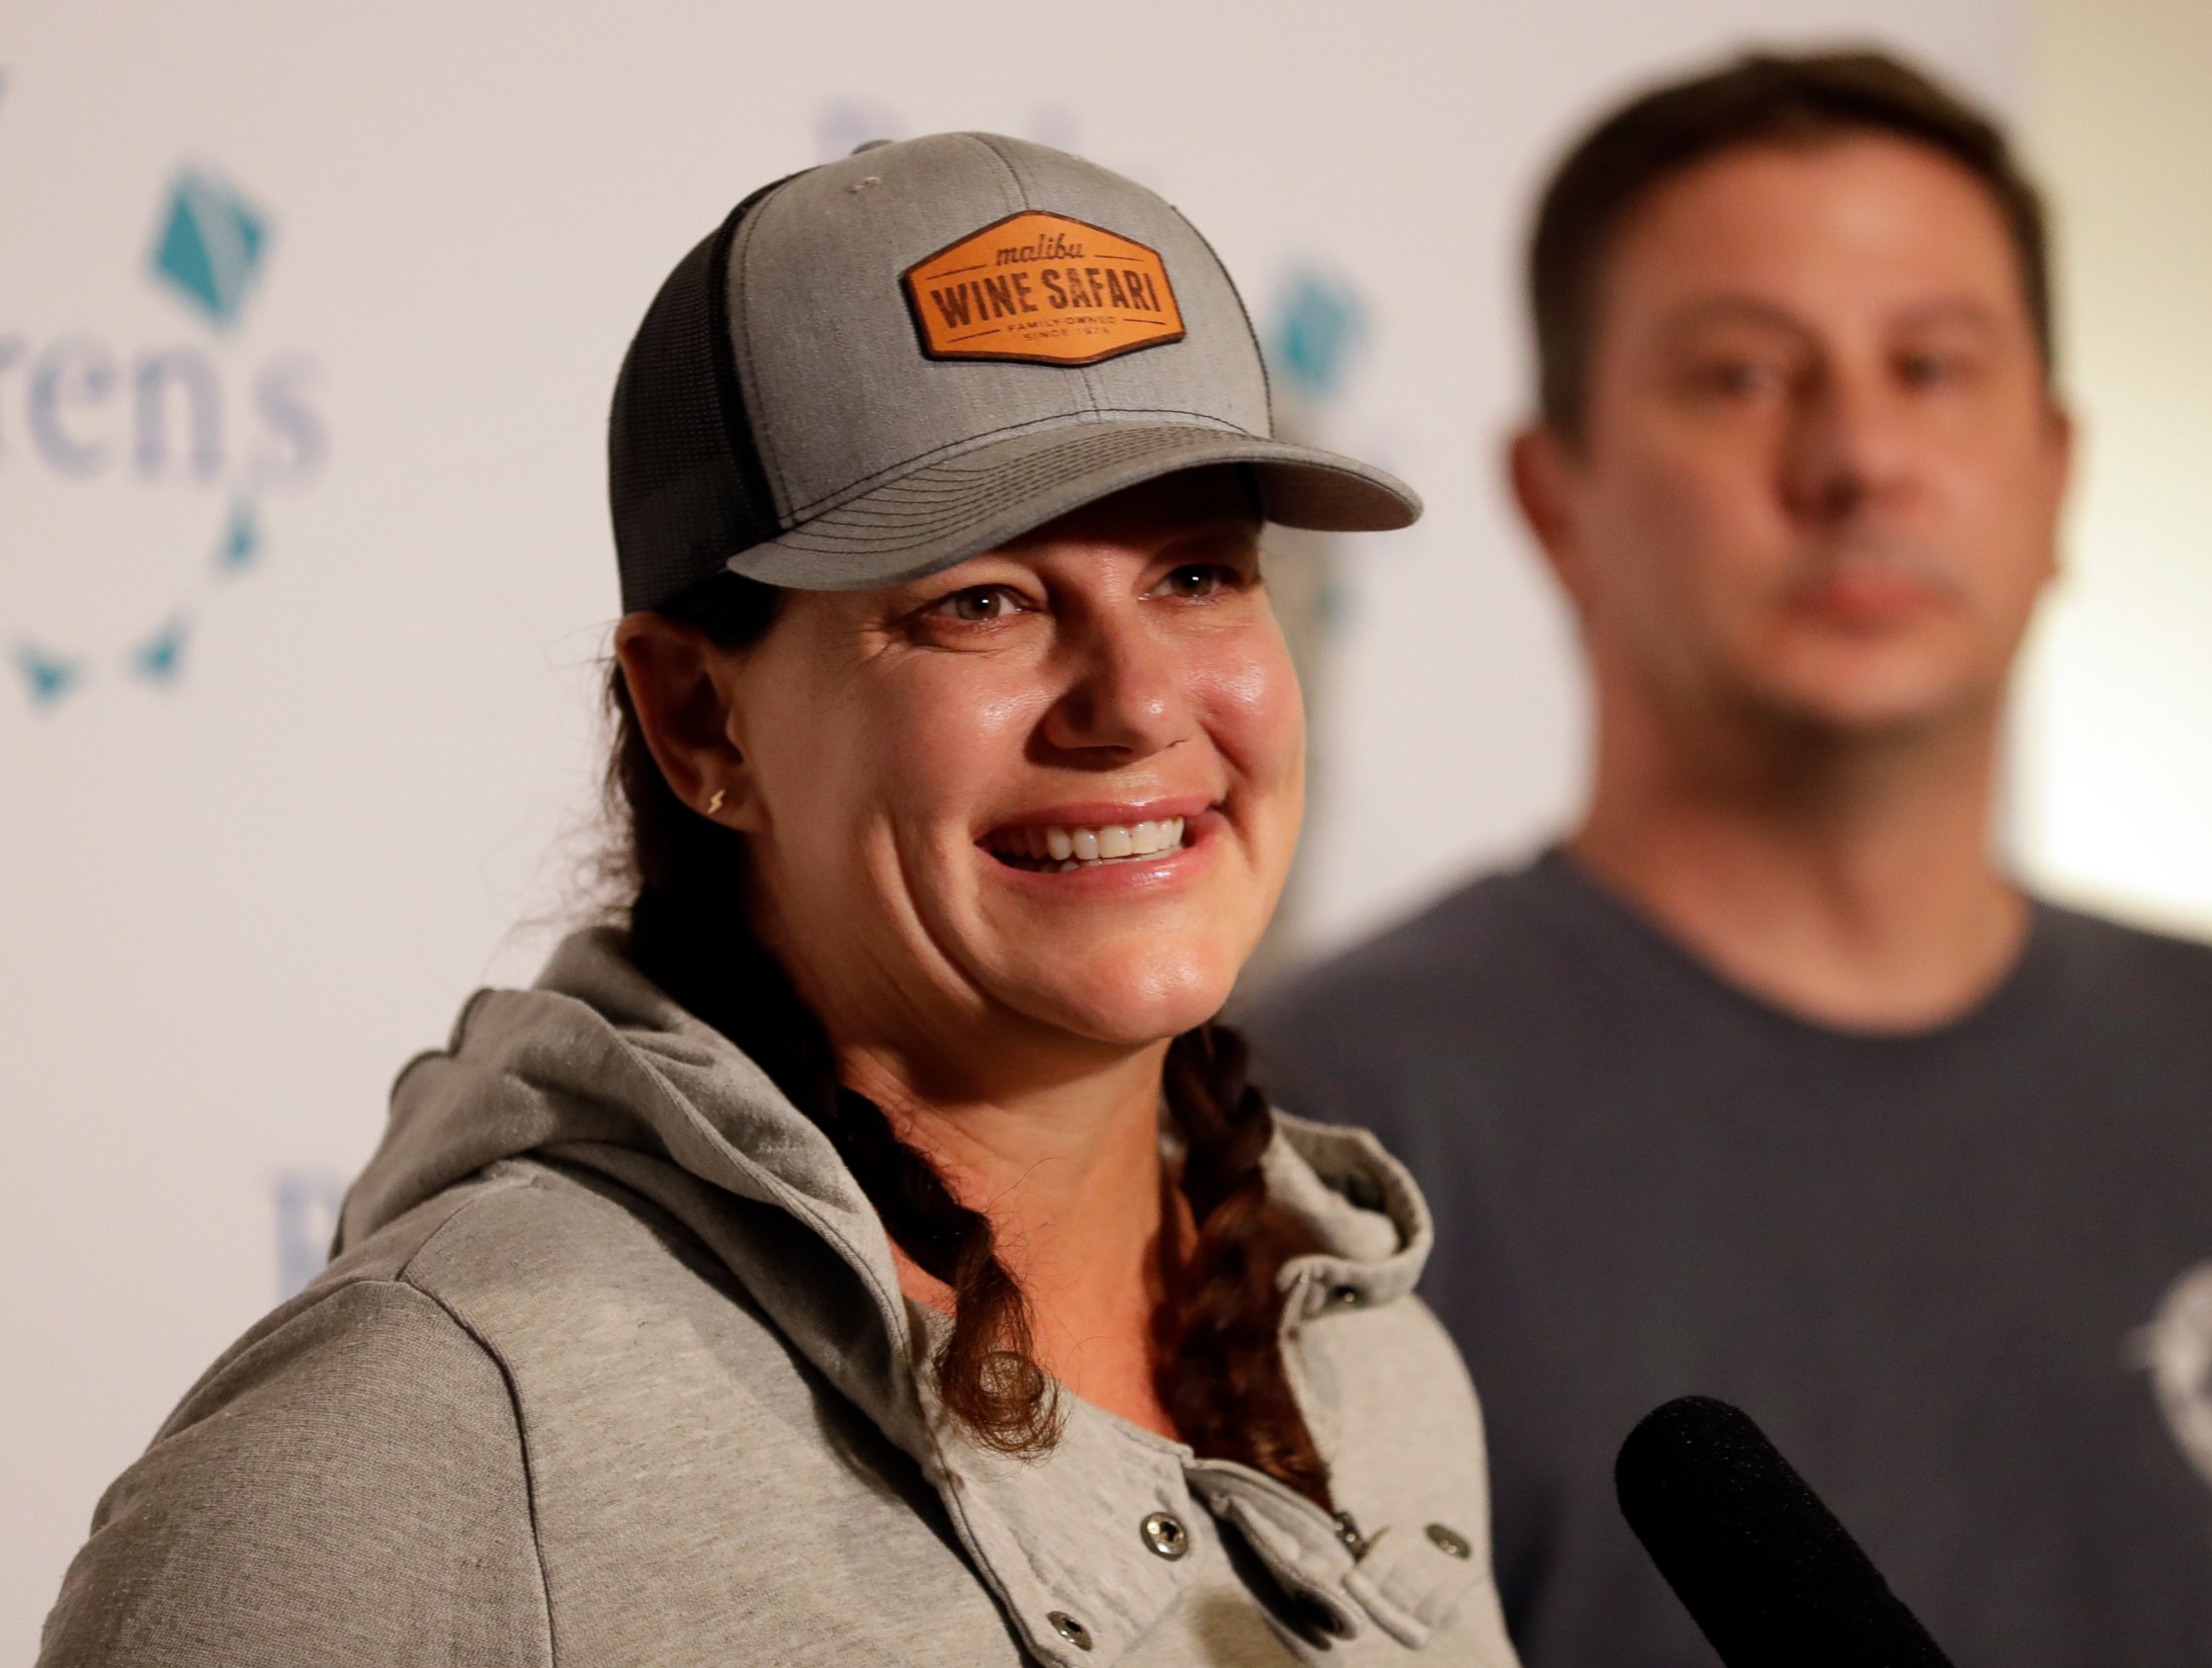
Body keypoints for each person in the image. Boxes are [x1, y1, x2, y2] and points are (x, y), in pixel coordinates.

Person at [40, 133, 1518, 1668]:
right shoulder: (429, 1431)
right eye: (980, 603)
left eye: (1198, 576)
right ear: (699, 717)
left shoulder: (1369, 1365)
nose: (1136, 703)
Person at [1246, 50, 2212, 1668]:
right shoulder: (1337, 1115)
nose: (1857, 458)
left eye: (1932, 365)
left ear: (2054, 472)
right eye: (1744, 377)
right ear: (1553, 499)